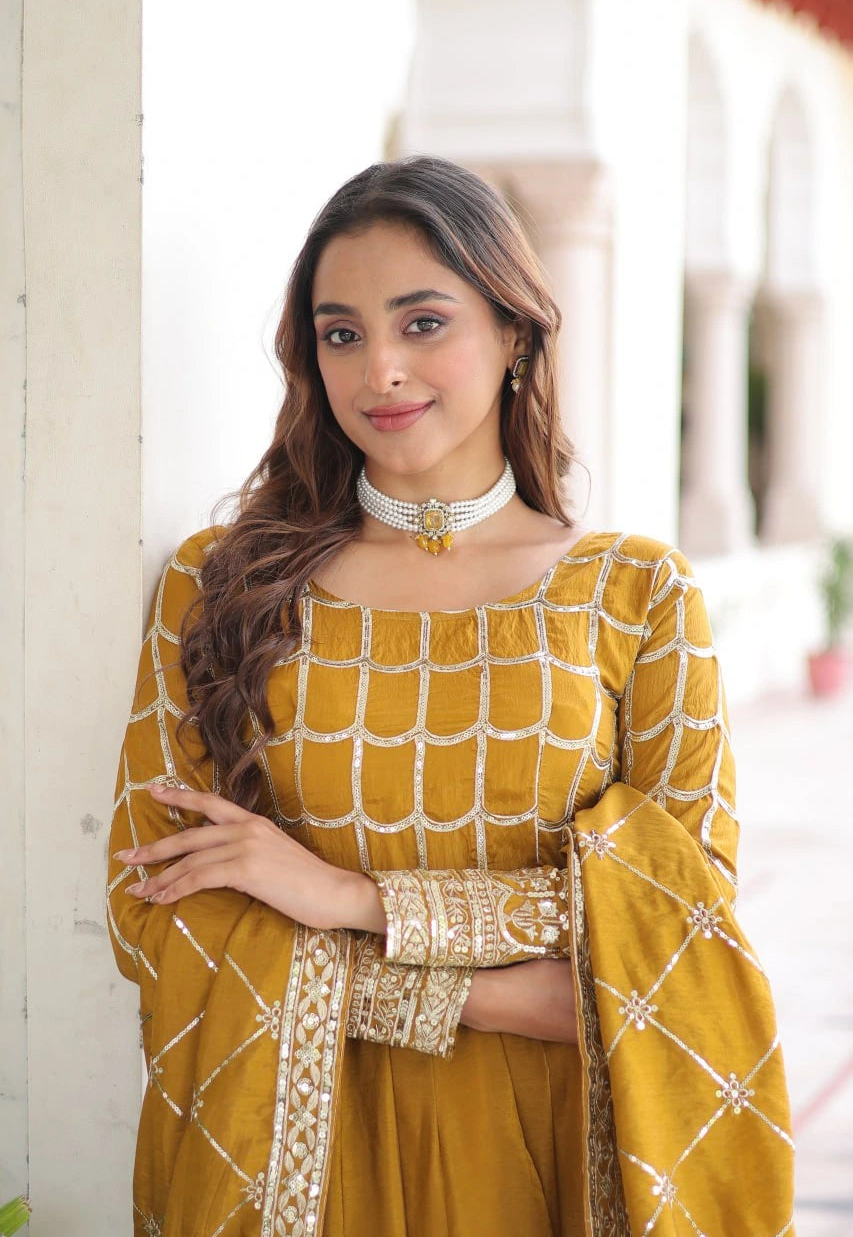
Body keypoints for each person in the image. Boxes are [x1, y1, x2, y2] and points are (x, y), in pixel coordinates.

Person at [106, 156, 795, 1237]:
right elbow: (160, 905)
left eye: (422, 323)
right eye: (341, 333)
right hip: (301, 1157)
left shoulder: (635, 596)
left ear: (515, 333)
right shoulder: (219, 587)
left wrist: (348, 899)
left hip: (557, 1151)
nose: (379, 369)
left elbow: (675, 925)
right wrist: (505, 995)